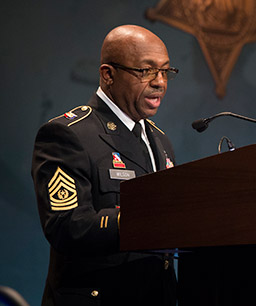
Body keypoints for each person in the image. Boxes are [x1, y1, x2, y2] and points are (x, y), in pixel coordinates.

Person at [31, 25, 178, 306]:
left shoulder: (160, 140)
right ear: (108, 74)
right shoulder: (68, 134)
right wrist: (139, 219)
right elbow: (65, 226)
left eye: (165, 71)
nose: (160, 82)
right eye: (146, 71)